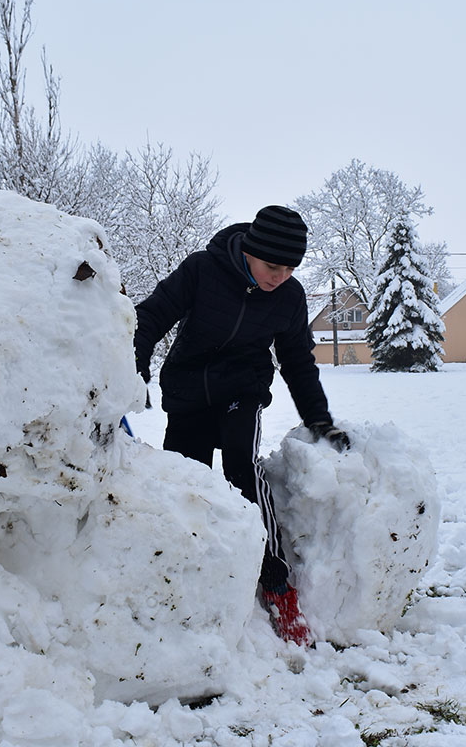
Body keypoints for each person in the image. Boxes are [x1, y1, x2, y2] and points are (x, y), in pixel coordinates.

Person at [133, 204, 350, 646]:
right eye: (274, 266)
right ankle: (182, 570)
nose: (281, 276)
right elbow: (150, 316)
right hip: (188, 391)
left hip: (241, 390)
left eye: (291, 268)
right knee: (185, 482)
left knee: (242, 469)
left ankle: (275, 581)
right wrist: (133, 367)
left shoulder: (289, 297)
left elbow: (297, 362)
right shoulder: (202, 270)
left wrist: (318, 418)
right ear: (250, 251)